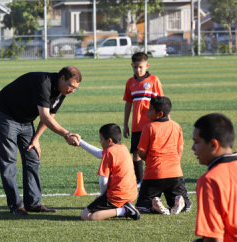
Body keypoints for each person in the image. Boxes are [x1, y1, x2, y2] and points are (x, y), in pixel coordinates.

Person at [0, 66, 82, 215]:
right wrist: (67, 134)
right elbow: (44, 116)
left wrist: (36, 138)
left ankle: (33, 204)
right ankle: (16, 206)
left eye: (75, 88)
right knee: (9, 161)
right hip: (5, 116)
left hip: (26, 121)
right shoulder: (43, 82)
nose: (72, 90)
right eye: (71, 86)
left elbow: (50, 115)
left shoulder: (62, 91)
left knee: (32, 158)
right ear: (62, 78)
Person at [188, 113, 237, 242]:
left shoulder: (211, 180)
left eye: (197, 142)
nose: (193, 148)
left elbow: (213, 238)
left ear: (214, 145)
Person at [135, 96, 191, 215]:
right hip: (175, 173)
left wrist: (149, 160)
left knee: (142, 207)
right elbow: (180, 149)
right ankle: (180, 202)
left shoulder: (149, 127)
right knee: (186, 206)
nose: (147, 112)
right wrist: (175, 162)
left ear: (159, 114)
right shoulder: (176, 126)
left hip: (154, 173)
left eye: (150, 110)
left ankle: (153, 206)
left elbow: (141, 152)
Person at [73, 123, 140, 221]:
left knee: (86, 215)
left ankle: (125, 211)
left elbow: (103, 181)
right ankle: (125, 207)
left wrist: (102, 197)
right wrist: (80, 142)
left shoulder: (109, 152)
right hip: (131, 194)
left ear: (109, 141)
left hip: (117, 196)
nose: (100, 142)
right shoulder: (122, 147)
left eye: (101, 139)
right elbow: (100, 154)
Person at [123, 52, 164, 185]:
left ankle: (155, 177)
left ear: (147, 65)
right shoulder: (130, 82)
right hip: (136, 125)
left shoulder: (153, 80)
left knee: (152, 153)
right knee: (136, 153)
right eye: (135, 67)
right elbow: (128, 104)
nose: (138, 70)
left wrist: (164, 121)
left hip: (151, 124)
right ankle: (140, 180)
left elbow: (161, 102)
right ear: (131, 66)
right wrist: (125, 124)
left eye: (140, 67)